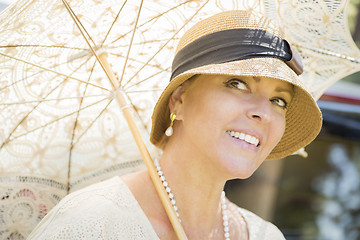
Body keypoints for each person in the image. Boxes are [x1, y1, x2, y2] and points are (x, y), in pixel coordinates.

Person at [27, 10, 322, 240]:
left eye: (279, 101)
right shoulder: (89, 225)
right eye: (237, 83)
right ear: (178, 100)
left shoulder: (264, 236)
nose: (264, 113)